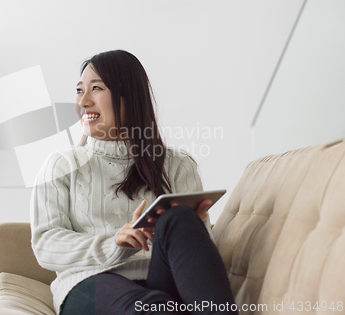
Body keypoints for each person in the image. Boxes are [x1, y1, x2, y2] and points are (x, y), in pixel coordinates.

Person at [31, 50, 238, 314]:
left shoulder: (177, 166)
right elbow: (46, 245)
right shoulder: (61, 165)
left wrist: (193, 228)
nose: (83, 101)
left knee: (179, 219)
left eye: (96, 88)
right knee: (152, 307)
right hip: (89, 281)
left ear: (129, 96)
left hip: (160, 279)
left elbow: (201, 265)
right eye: (79, 90)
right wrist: (113, 243)